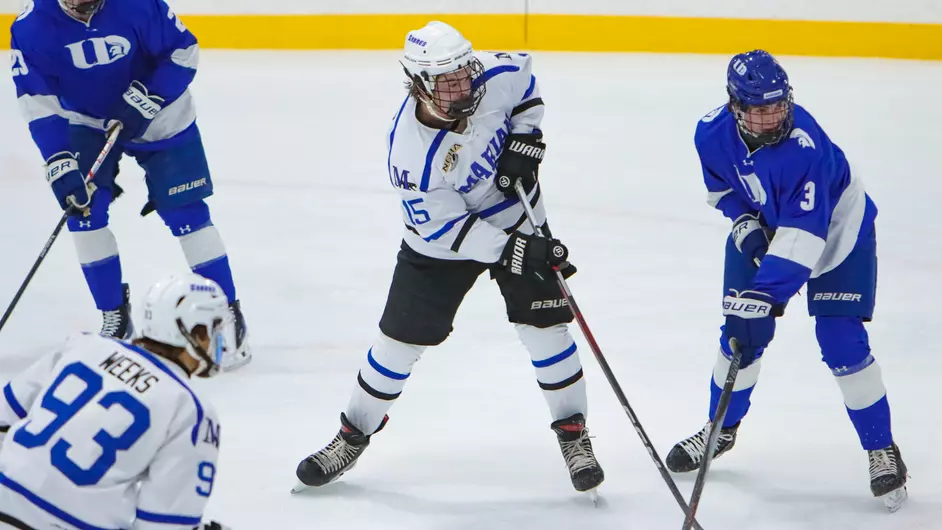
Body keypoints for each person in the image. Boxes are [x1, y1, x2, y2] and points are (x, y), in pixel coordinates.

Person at [293, 21, 604, 497]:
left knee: (546, 331)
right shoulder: (409, 154)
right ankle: (352, 435)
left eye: (464, 73)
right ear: (418, 83)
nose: (463, 86)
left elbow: (526, 88)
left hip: (516, 215)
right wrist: (518, 251)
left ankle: (573, 435)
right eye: (448, 81)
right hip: (440, 245)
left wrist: (525, 139)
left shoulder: (489, 76)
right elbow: (447, 228)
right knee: (397, 342)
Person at [665, 49, 907, 512]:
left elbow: (804, 238)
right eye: (757, 109)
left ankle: (881, 447)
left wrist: (765, 295)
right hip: (771, 225)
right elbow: (723, 192)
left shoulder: (805, 147)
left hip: (838, 232)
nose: (770, 116)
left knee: (841, 340)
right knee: (739, 339)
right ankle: (721, 430)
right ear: (735, 106)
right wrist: (745, 227)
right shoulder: (710, 133)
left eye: (777, 105)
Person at [9, 0, 249, 369]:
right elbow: (38, 102)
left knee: (186, 211)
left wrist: (146, 100)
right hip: (85, 122)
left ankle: (226, 312)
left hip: (164, 117)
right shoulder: (30, 28)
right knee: (83, 211)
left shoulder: (137, 4)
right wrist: (59, 160)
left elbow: (183, 51)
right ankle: (114, 317)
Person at [0, 274, 231, 529]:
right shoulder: (191, 410)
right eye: (215, 328)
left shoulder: (83, 346)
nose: (218, 340)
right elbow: (163, 525)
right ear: (196, 333)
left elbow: (4, 414)